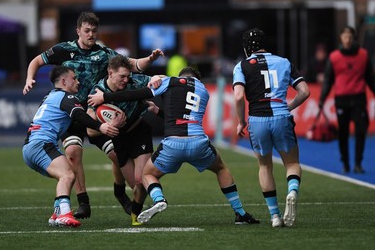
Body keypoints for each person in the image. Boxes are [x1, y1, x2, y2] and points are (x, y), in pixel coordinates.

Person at [22, 11, 164, 219]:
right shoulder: (64, 50)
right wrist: (29, 79)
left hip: (97, 113)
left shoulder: (104, 53)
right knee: (72, 152)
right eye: (87, 30)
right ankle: (83, 202)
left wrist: (150, 59)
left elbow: (131, 64)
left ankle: (119, 190)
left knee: (117, 154)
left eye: (94, 31)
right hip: (71, 116)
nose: (91, 34)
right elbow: (36, 60)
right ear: (78, 30)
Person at [88, 66, 261, 226]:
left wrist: (105, 97)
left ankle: (159, 199)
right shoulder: (204, 90)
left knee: (147, 175)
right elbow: (182, 115)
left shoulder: (170, 81)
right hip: (198, 142)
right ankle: (240, 212)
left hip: (173, 144)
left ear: (180, 76)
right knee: (221, 168)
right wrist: (158, 111)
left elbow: (136, 94)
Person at [22, 66, 119, 227]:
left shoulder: (50, 96)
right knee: (67, 175)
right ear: (63, 81)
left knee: (67, 175)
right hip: (41, 145)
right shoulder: (65, 97)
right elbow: (80, 116)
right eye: (74, 78)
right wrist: (100, 126)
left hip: (32, 147)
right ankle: (64, 214)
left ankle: (57, 213)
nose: (78, 81)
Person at [233, 28, 310, 227]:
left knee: (265, 166)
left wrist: (241, 121)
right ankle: (292, 191)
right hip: (281, 117)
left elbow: (239, 96)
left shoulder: (241, 66)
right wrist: (289, 106)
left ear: (246, 48)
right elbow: (304, 91)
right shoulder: (284, 62)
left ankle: (275, 216)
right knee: (292, 164)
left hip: (257, 119)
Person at [87, 55, 164, 225]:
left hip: (138, 132)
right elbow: (90, 132)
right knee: (136, 186)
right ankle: (129, 203)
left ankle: (136, 214)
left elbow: (163, 80)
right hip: (119, 139)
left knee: (140, 180)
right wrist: (105, 127)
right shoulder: (97, 92)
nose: (126, 80)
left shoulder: (134, 81)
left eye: (128, 75)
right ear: (110, 73)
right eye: (122, 76)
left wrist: (158, 77)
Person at [319, 26, 375, 174]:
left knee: (361, 132)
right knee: (343, 133)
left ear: (353, 38)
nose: (347, 39)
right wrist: (322, 99)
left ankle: (358, 163)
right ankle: (345, 162)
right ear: (341, 38)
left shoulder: (363, 55)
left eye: (350, 36)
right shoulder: (334, 57)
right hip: (342, 99)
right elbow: (328, 80)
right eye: (345, 36)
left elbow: (370, 78)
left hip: (359, 99)